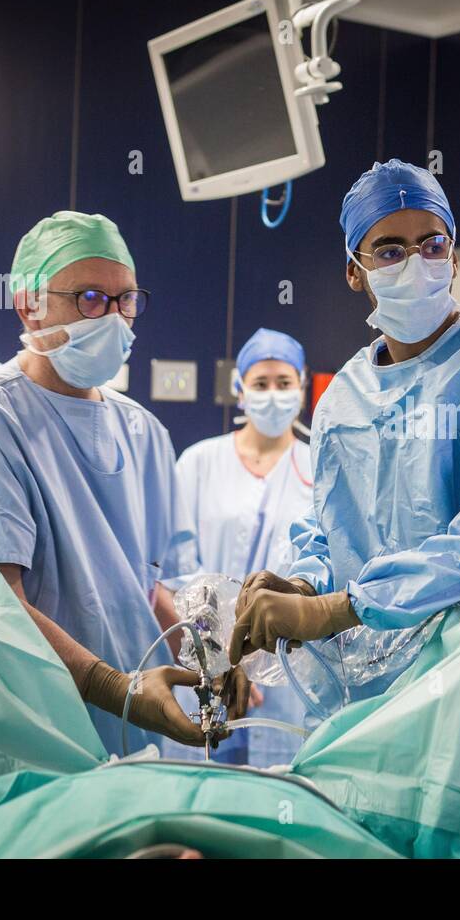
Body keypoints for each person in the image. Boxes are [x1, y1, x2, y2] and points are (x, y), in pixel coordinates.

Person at [0, 210, 243, 756]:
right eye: (90, 297)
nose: (112, 317)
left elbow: (152, 585)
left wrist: (212, 654)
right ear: (29, 305)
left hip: (140, 740)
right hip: (35, 738)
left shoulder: (143, 432)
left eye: (125, 300)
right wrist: (113, 687)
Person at [228, 159, 460, 668]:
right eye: (391, 251)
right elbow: (334, 529)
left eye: (433, 245)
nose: (416, 263)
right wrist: (306, 584)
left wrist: (343, 607)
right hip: (360, 682)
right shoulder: (345, 398)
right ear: (355, 270)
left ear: (454, 259)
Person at [175, 327, 314, 765]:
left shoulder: (318, 465)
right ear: (239, 389)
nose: (272, 394)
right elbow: (179, 567)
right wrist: (215, 656)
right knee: (201, 780)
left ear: (302, 385)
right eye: (260, 384)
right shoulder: (199, 463)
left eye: (283, 383)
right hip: (204, 664)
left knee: (280, 785)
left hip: (289, 670)